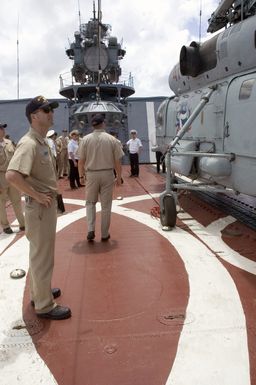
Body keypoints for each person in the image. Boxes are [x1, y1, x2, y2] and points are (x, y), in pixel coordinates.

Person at [6, 95, 71, 320]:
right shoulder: (29, 143)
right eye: (46, 111)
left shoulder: (41, 141)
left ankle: (39, 292)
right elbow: (12, 175)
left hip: (44, 207)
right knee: (43, 256)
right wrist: (36, 195)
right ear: (34, 116)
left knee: (39, 254)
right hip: (40, 208)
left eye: (51, 110)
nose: (51, 113)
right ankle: (44, 306)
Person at [78, 114, 124, 242]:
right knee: (106, 206)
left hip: (91, 174)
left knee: (90, 203)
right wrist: (119, 177)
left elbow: (81, 161)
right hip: (107, 174)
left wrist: (81, 176)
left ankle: (90, 229)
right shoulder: (112, 140)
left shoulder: (85, 140)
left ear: (92, 124)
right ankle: (104, 234)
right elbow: (117, 162)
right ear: (103, 123)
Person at [0, 122, 25, 234]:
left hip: (12, 176)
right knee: (1, 204)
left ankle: (23, 224)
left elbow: (15, 158)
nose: (3, 130)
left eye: (3, 128)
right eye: (0, 129)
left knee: (17, 201)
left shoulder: (9, 142)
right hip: (0, 177)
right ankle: (5, 226)